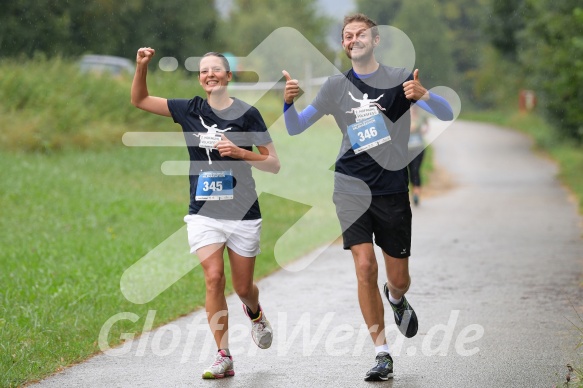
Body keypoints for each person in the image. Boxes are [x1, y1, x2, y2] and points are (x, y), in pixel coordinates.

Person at [282, 14, 453, 381]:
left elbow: (447, 112)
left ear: (375, 41)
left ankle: (395, 299)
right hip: (350, 186)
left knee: (398, 279)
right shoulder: (334, 86)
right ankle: (382, 353)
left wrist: (425, 95)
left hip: (391, 189)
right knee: (364, 268)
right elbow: (296, 128)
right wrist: (287, 104)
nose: (353, 39)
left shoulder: (400, 79)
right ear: (343, 44)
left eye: (360, 34)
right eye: (347, 35)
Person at [131, 47, 280, 379]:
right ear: (200, 78)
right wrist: (142, 66)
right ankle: (223, 355)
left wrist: (240, 152)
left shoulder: (248, 113)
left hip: (243, 213)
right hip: (203, 212)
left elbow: (273, 163)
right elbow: (140, 100)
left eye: (216, 69)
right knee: (213, 278)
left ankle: (255, 312)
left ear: (228, 76)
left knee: (243, 288)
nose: (209, 74)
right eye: (203, 71)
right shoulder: (189, 109)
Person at [407, 104, 430, 206]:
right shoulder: (405, 117)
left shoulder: (421, 116)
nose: (414, 108)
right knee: (408, 172)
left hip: (419, 149)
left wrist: (424, 129)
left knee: (415, 171)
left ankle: (416, 194)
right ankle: (410, 193)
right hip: (406, 150)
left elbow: (426, 125)